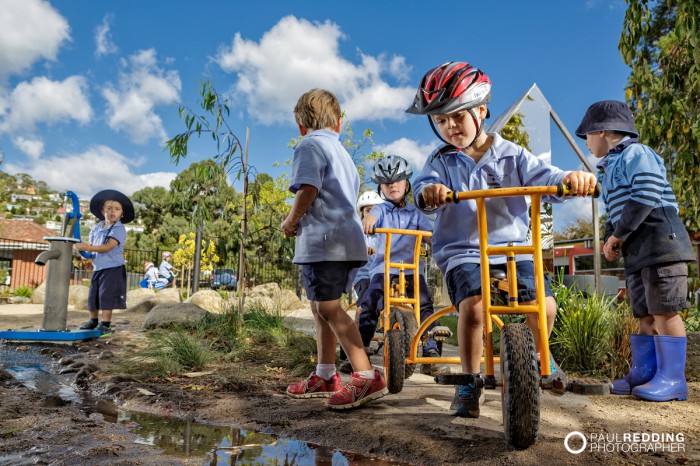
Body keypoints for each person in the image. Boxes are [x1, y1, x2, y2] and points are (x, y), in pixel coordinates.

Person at [407, 62, 598, 418]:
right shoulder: (441, 162)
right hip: (464, 252)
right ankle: (469, 379)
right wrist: (430, 191)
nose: (450, 127)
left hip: (512, 250)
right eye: (440, 120)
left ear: (481, 111)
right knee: (475, 308)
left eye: (458, 116)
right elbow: (421, 188)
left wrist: (572, 179)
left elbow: (549, 177)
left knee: (546, 307)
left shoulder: (512, 154)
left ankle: (538, 355)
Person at [576, 100, 694, 402]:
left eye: (586, 136)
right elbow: (614, 212)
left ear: (601, 131)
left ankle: (672, 379)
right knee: (642, 312)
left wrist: (619, 235)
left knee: (664, 310)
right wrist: (609, 236)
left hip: (661, 241)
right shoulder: (609, 168)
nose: (586, 144)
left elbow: (646, 194)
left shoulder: (636, 153)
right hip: (637, 248)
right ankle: (644, 373)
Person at [281, 88, 388, 409]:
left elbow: (308, 187)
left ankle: (367, 376)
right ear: (339, 123)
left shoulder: (308, 145)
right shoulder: (342, 154)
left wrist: (291, 219)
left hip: (324, 241)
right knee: (320, 307)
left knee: (328, 309)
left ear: (301, 125)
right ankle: (325, 374)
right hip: (346, 240)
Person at [359, 155, 447, 376]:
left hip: (410, 270)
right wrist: (368, 221)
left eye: (397, 180)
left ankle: (430, 351)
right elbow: (373, 216)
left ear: (407, 183)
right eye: (387, 182)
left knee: (425, 306)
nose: (392, 185)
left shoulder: (415, 212)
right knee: (369, 304)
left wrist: (435, 240)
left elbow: (430, 234)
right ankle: (359, 351)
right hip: (384, 269)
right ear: (380, 187)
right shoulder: (380, 210)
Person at [74, 189, 134, 337]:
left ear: (122, 213)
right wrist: (86, 253)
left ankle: (106, 325)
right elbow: (92, 244)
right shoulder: (97, 227)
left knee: (106, 296)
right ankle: (93, 320)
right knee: (93, 295)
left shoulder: (119, 229)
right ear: (102, 211)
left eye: (117, 209)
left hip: (113, 268)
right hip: (98, 267)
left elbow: (108, 247)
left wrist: (86, 247)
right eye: (109, 208)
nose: (112, 211)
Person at [338, 190, 383, 374]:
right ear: (362, 213)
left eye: (374, 210)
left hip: (382, 273)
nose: (370, 213)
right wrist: (361, 248)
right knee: (365, 304)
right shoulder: (359, 230)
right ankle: (360, 347)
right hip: (364, 275)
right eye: (367, 210)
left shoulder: (385, 230)